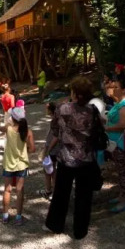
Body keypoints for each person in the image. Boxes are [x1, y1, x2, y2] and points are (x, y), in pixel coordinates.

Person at [44, 76, 96, 239]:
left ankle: (56, 224)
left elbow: (54, 128)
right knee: (84, 195)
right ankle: (80, 230)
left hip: (66, 157)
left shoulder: (63, 108)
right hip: (86, 157)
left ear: (74, 92)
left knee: (61, 192)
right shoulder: (92, 110)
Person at [0, 106, 36, 225]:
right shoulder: (28, 132)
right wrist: (25, 150)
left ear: (13, 118)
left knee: (7, 190)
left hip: (8, 163)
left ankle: (5, 216)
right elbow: (32, 149)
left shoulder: (8, 129)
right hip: (21, 164)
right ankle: (18, 217)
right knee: (19, 190)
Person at [105, 78, 125, 213]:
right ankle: (122, 195)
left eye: (116, 87)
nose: (113, 89)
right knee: (120, 169)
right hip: (114, 143)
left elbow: (123, 124)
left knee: (123, 171)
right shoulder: (119, 103)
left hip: (120, 143)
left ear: (124, 89)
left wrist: (106, 128)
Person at [38, 102, 59, 201]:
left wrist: (48, 148)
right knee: (48, 170)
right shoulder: (55, 119)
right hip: (52, 148)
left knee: (52, 170)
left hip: (53, 149)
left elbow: (56, 137)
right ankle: (48, 190)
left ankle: (54, 192)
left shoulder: (56, 121)